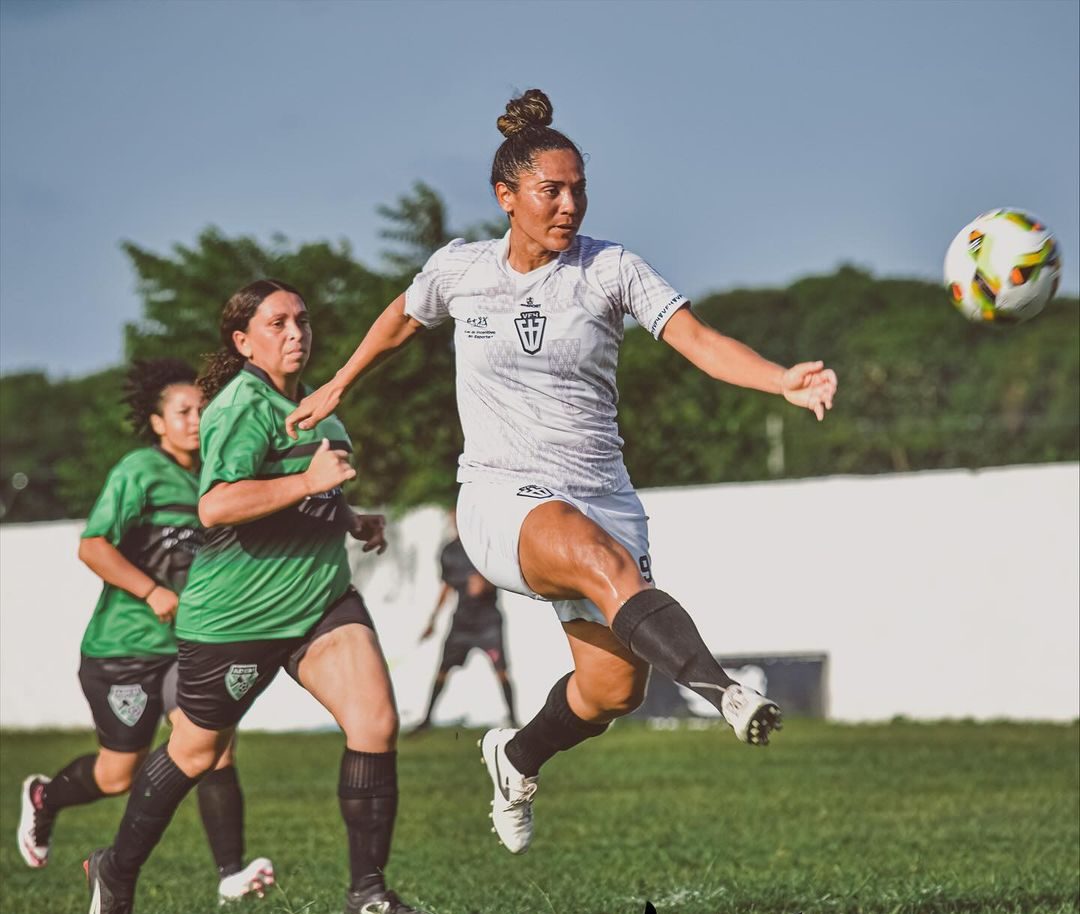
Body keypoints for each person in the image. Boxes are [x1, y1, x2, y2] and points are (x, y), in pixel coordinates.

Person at [285, 89, 838, 856]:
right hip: (499, 497)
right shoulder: (462, 269)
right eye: (552, 189)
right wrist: (340, 381)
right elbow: (404, 316)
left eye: (579, 187)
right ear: (506, 195)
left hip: (603, 496)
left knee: (611, 691)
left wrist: (780, 380)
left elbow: (699, 339)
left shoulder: (611, 269)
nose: (569, 203)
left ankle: (515, 758)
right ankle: (727, 692)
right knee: (591, 556)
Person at [83, 281, 428, 914]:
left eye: (302, 320)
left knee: (375, 723)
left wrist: (352, 519)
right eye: (277, 323)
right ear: (243, 342)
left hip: (321, 602)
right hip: (238, 619)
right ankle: (116, 869)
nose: (296, 332)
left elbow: (312, 491)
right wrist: (309, 480)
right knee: (195, 752)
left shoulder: (319, 404)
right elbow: (216, 505)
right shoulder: (241, 404)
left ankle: (368, 895)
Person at [16, 358, 273, 903]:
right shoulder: (139, 470)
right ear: (158, 423)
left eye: (203, 411)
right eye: (182, 412)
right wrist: (151, 591)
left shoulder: (217, 474)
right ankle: (45, 796)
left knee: (213, 746)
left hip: (186, 647)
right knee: (116, 776)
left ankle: (231, 871)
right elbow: (92, 546)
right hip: (122, 650)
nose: (195, 420)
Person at [410, 509, 518, 735]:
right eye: (453, 520)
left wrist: (486, 584)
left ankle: (514, 720)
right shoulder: (449, 552)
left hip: (488, 623)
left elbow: (505, 576)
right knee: (442, 670)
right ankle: (426, 720)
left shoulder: (486, 548)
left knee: (501, 672)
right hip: (461, 623)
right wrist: (432, 620)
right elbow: (446, 587)